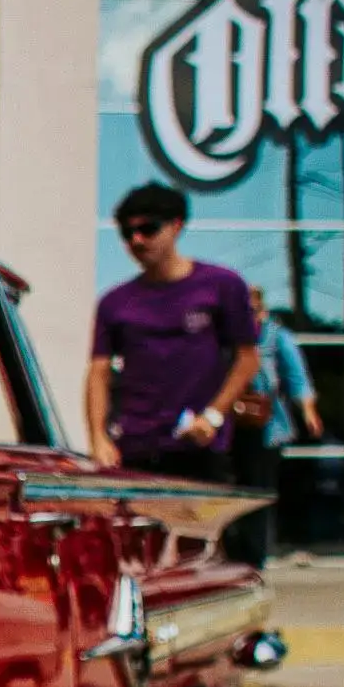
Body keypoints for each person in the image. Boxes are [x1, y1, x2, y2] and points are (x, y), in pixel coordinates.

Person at [86, 183, 259, 484]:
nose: (137, 240)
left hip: (200, 448)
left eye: (148, 229)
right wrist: (98, 438)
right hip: (135, 449)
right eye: (127, 233)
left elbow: (247, 359)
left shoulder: (221, 286)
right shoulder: (114, 302)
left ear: (176, 225)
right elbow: (98, 372)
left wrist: (213, 416)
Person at [227, 278, 323, 566]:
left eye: (252, 311)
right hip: (228, 427)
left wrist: (308, 410)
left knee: (258, 493)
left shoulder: (275, 337)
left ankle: (253, 558)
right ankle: (229, 554)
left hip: (265, 428)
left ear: (262, 310)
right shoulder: (227, 337)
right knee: (228, 493)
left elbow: (297, 375)